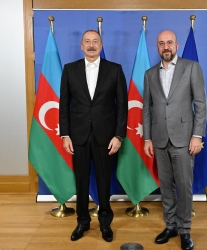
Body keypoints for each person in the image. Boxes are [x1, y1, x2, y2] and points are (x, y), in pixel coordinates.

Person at [59, 30, 128, 242]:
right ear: (81, 46)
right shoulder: (70, 70)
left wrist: (119, 136)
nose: (91, 45)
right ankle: (82, 221)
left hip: (106, 137)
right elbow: (64, 105)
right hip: (78, 136)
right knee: (81, 181)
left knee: (104, 181)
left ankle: (105, 224)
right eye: (87, 42)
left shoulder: (115, 70)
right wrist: (65, 134)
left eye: (95, 42)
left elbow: (123, 107)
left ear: (101, 44)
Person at [142, 30, 207, 250]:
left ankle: (185, 230)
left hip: (184, 139)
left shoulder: (191, 68)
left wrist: (197, 136)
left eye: (169, 42)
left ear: (177, 45)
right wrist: (148, 138)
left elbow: (200, 105)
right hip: (159, 139)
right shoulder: (150, 74)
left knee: (184, 187)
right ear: (157, 47)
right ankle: (170, 225)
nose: (166, 46)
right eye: (161, 43)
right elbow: (146, 109)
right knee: (166, 187)